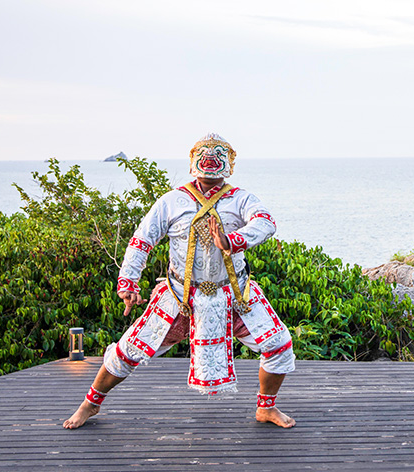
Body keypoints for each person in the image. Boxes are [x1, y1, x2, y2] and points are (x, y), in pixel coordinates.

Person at [64, 133, 296, 429]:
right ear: (194, 161)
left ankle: (266, 408)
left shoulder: (242, 199)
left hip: (234, 295)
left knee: (279, 344)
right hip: (180, 299)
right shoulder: (172, 201)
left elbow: (266, 222)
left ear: (227, 163)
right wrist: (128, 283)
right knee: (127, 350)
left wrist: (231, 240)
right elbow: (141, 241)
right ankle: (90, 405)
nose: (209, 164)